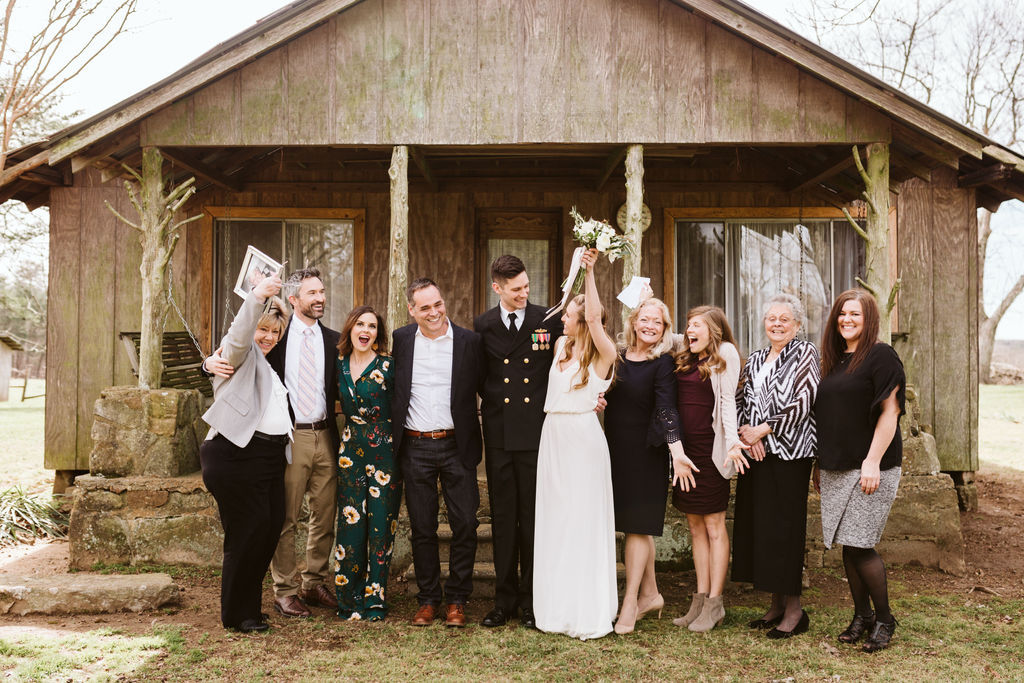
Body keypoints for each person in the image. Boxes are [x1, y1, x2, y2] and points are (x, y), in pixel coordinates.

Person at [204, 268, 343, 618]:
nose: (320, 298)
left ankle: (314, 582)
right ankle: (285, 590)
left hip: (320, 434)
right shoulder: (263, 342)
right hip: (278, 443)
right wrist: (206, 364)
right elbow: (235, 345)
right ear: (294, 299)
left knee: (319, 517)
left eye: (323, 291)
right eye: (312, 292)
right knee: (282, 520)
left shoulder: (332, 340)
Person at [533, 248, 618, 640]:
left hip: (583, 439)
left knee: (582, 521)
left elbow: (597, 316)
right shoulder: (559, 349)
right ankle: (556, 607)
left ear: (582, 321)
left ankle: (586, 609)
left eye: (568, 315)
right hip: (553, 437)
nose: (562, 319)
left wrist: (590, 273)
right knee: (556, 521)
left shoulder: (603, 354)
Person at [814, 289, 905, 653]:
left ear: (869, 320)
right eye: (842, 314)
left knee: (862, 543)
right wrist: (821, 464)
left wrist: (872, 461)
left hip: (873, 465)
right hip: (837, 466)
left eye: (855, 314)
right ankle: (862, 615)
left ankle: (884, 619)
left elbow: (890, 412)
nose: (847, 320)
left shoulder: (881, 356)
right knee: (848, 546)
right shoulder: (834, 360)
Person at [474, 255, 562, 629]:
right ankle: (503, 600)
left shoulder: (548, 319)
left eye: (526, 286)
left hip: (536, 432)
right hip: (500, 434)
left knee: (532, 519)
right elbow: (480, 376)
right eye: (516, 289)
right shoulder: (484, 325)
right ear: (498, 288)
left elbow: (566, 364)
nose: (525, 293)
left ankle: (531, 600)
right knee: (504, 519)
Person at [391, 278, 484, 628]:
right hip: (414, 446)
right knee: (422, 527)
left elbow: (488, 386)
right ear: (412, 310)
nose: (434, 312)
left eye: (438, 304)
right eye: (425, 307)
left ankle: (457, 599)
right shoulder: (401, 341)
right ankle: (428, 599)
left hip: (457, 445)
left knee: (465, 524)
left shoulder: (469, 342)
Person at [199, 273, 289, 633]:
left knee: (267, 531)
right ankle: (237, 615)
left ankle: (249, 606)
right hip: (236, 455)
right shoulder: (238, 353)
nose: (268, 337)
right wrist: (257, 296)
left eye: (275, 333)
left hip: (267, 459)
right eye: (263, 329)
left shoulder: (267, 364)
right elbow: (239, 335)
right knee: (246, 533)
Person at [604, 297, 696, 635]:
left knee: (639, 528)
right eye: (645, 319)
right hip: (614, 452)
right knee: (633, 527)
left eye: (657, 322)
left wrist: (677, 450)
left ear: (665, 329)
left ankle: (630, 603)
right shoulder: (616, 357)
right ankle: (651, 593)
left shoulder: (663, 364)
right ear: (633, 321)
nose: (650, 326)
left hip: (647, 453)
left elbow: (667, 410)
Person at [732, 294, 820, 639]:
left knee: (786, 530)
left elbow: (805, 399)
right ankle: (775, 604)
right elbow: (741, 400)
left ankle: (795, 610)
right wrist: (747, 435)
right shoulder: (754, 358)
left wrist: (763, 430)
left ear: (797, 325)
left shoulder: (806, 353)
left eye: (785, 319)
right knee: (763, 529)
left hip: (790, 454)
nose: (777, 324)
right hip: (757, 454)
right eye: (772, 318)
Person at [671, 305, 748, 633]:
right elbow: (656, 332)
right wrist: (642, 299)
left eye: (697, 325)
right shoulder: (684, 355)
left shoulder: (725, 353)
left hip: (712, 453)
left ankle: (716, 602)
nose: (690, 330)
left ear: (714, 330)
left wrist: (732, 442)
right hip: (685, 455)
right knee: (694, 527)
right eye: (688, 325)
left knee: (715, 526)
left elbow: (728, 401)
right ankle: (700, 599)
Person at [333, 305, 402, 621]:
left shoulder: (389, 365)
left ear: (378, 333)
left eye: (372, 326)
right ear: (350, 328)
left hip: (384, 452)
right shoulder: (338, 364)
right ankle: (348, 598)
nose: (365, 330)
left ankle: (375, 599)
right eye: (360, 324)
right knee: (351, 524)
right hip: (350, 452)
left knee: (379, 527)